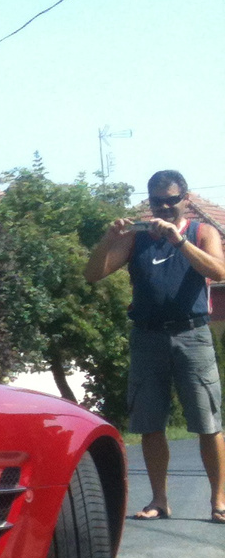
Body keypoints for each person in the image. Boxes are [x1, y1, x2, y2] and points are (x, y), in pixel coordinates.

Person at [86, 170, 225, 522]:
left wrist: (179, 241)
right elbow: (92, 273)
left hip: (192, 335)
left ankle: (219, 502)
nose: (163, 208)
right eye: (156, 202)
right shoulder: (138, 238)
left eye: (171, 201)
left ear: (186, 200)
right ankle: (159, 500)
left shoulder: (201, 231)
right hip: (147, 336)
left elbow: (219, 271)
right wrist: (108, 238)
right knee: (150, 423)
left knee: (207, 421)